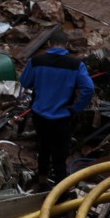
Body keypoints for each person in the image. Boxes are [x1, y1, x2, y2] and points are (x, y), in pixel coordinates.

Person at [20, 29, 94, 191]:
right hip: (62, 118)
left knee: (43, 149)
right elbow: (88, 88)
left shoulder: (36, 61)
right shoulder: (76, 65)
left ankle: (42, 182)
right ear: (66, 45)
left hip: (40, 116)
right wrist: (76, 108)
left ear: (48, 44)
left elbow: (24, 83)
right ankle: (61, 192)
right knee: (60, 156)